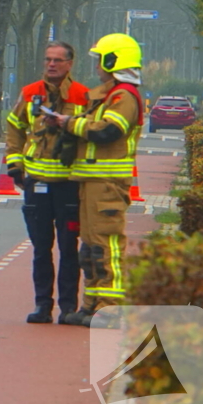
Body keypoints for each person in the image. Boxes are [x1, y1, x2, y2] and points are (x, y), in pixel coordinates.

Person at [46, 33, 143, 328]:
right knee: (89, 247)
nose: (98, 66)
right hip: (92, 181)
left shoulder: (124, 96)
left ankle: (111, 309)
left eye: (101, 59)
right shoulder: (110, 94)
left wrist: (70, 123)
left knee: (107, 245)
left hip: (107, 183)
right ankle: (91, 304)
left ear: (114, 60)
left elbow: (108, 132)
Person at [5, 41, 89, 325]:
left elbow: (90, 132)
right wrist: (15, 165)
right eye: (47, 60)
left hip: (69, 184)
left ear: (69, 64)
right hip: (37, 183)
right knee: (41, 248)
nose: (51, 64)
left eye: (57, 60)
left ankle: (68, 308)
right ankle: (43, 306)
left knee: (68, 248)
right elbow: (15, 127)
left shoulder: (82, 96)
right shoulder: (30, 94)